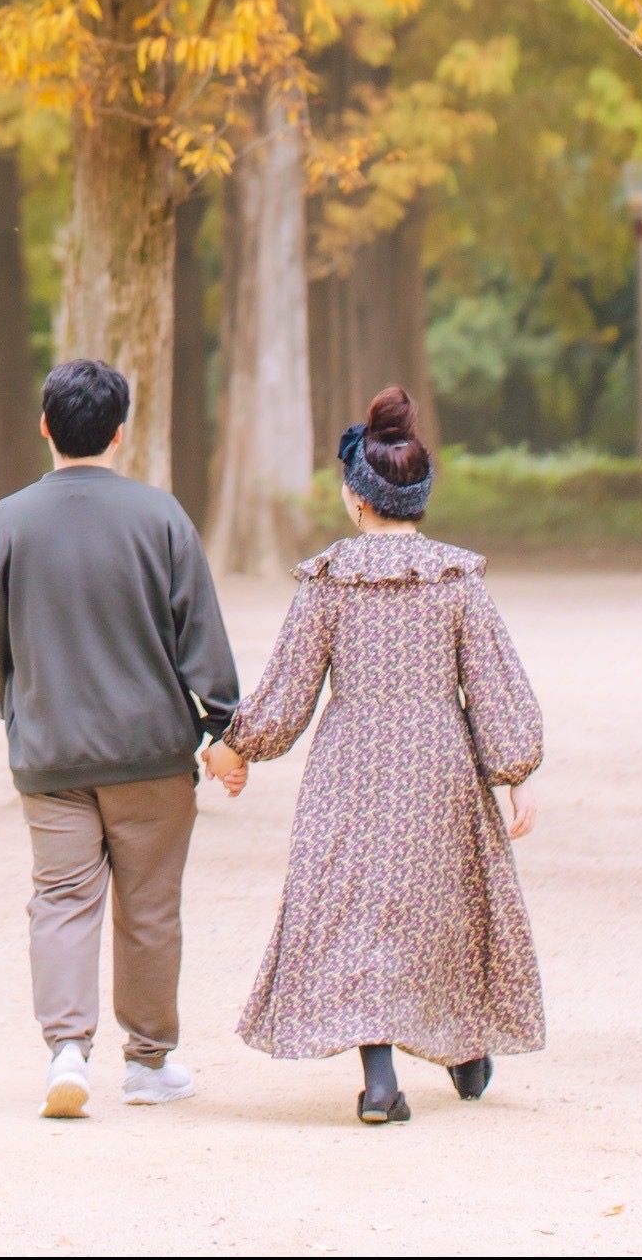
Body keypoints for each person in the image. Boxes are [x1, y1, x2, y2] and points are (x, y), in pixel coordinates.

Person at [204, 384, 544, 1124]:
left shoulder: (329, 579)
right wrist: (514, 771)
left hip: (350, 764)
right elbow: (491, 676)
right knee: (442, 905)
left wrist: (236, 748)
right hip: (437, 760)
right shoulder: (456, 577)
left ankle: (382, 1080)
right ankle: (462, 1048)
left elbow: (288, 690)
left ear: (358, 499)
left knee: (359, 912)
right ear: (417, 498)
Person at [0, 356, 242, 1120]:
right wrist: (222, 724)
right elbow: (202, 636)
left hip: (51, 748)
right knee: (150, 905)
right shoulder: (160, 517)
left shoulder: (7, 521)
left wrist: (15, 708)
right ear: (121, 431)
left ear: (45, 426)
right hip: (151, 751)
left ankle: (66, 1049)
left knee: (60, 897)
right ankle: (150, 1060)